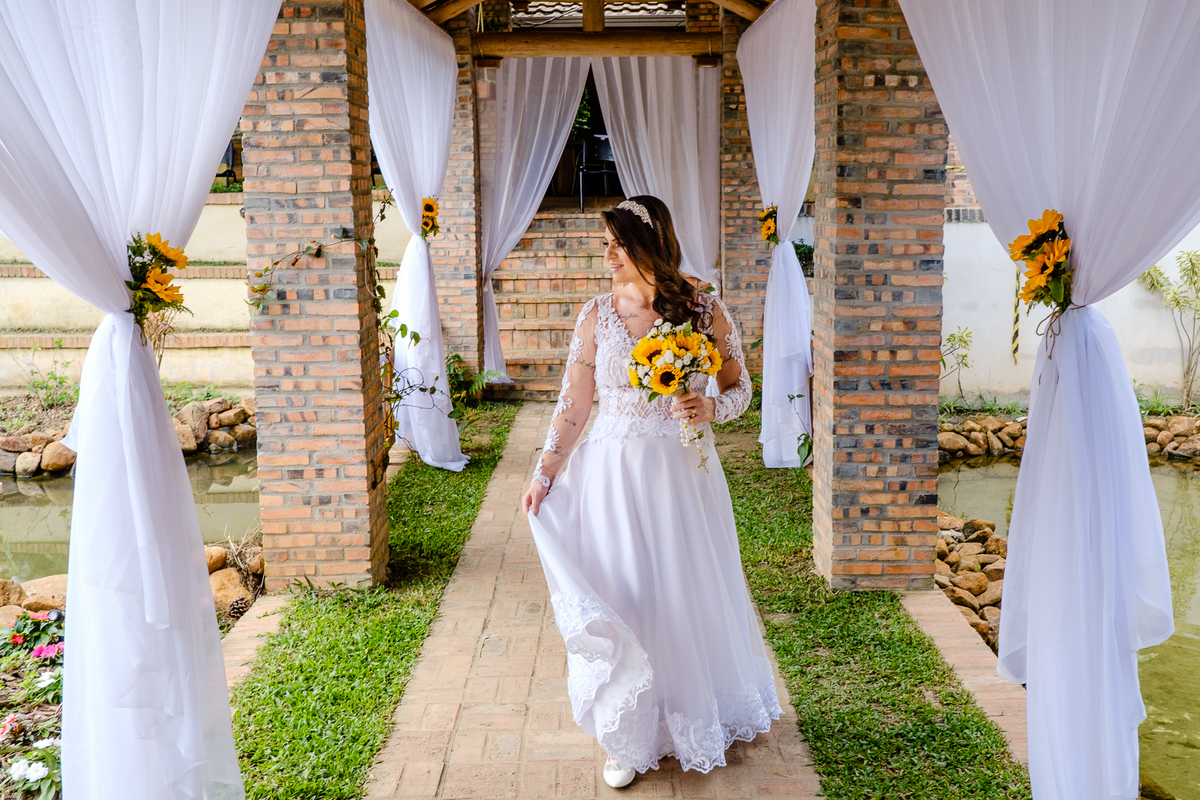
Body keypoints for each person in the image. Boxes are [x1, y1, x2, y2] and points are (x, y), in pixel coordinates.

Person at [521, 196, 781, 789]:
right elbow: (573, 404)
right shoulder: (596, 316)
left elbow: (742, 389)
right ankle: (627, 731)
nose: (607, 254)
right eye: (605, 244)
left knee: (683, 590)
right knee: (626, 591)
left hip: (681, 477)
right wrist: (545, 473)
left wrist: (712, 405)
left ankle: (693, 711)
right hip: (612, 476)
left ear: (647, 245)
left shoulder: (702, 308)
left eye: (617, 243)